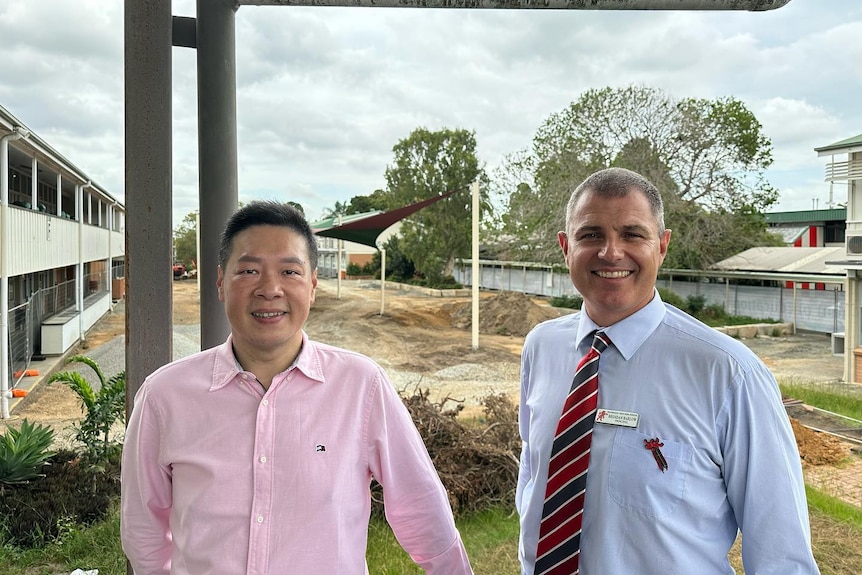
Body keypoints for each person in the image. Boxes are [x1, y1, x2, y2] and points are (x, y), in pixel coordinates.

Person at [121, 200, 473, 575]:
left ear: (313, 285)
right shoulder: (164, 397)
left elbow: (421, 508)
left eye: (289, 271)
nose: (270, 289)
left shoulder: (360, 387)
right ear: (220, 283)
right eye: (249, 270)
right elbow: (144, 528)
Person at [516, 167, 819, 574]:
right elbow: (534, 477)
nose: (610, 252)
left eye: (632, 234)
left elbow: (782, 557)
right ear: (565, 247)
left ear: (662, 245)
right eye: (591, 234)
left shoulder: (728, 373)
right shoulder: (542, 346)